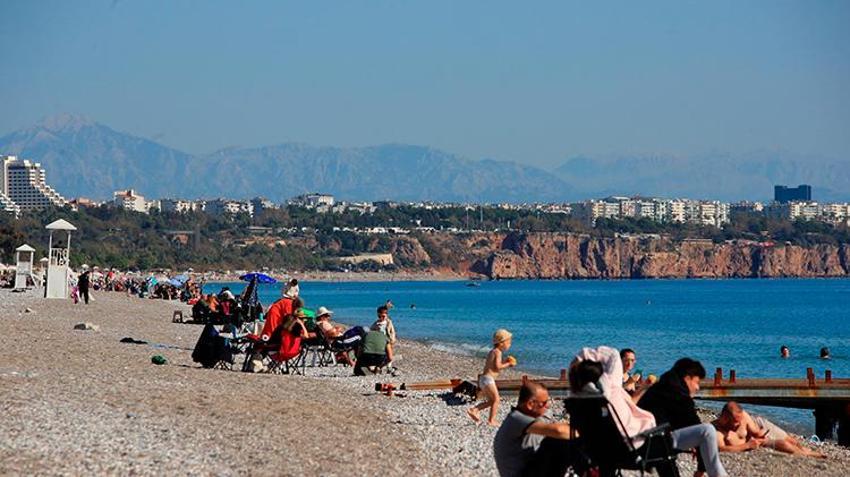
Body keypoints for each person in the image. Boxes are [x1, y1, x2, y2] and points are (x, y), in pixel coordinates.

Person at [572, 347, 728, 477]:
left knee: (666, 440)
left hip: (613, 452)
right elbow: (613, 354)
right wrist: (579, 359)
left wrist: (576, 367)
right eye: (697, 382)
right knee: (707, 430)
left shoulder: (583, 399)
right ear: (687, 378)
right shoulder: (612, 391)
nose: (698, 387)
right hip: (643, 445)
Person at [493, 381, 578, 477]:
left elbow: (556, 426)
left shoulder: (529, 418)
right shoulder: (516, 419)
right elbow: (558, 431)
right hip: (521, 474)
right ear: (530, 404)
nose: (548, 406)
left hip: (529, 468)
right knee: (557, 440)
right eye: (544, 403)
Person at [712, 401, 825, 457]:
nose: (739, 423)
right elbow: (721, 449)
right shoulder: (717, 430)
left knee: (791, 440)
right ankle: (807, 455)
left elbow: (755, 431)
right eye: (736, 422)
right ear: (726, 418)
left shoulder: (743, 416)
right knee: (783, 444)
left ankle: (807, 450)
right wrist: (747, 446)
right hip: (751, 442)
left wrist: (760, 434)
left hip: (758, 425)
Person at [468, 329, 517, 426]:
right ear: (502, 343)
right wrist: (508, 364)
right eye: (509, 342)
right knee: (496, 400)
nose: (510, 344)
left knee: (492, 401)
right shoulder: (498, 352)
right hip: (488, 380)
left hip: (483, 379)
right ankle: (491, 420)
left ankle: (475, 410)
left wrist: (505, 362)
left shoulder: (493, 351)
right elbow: (497, 367)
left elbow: (494, 365)